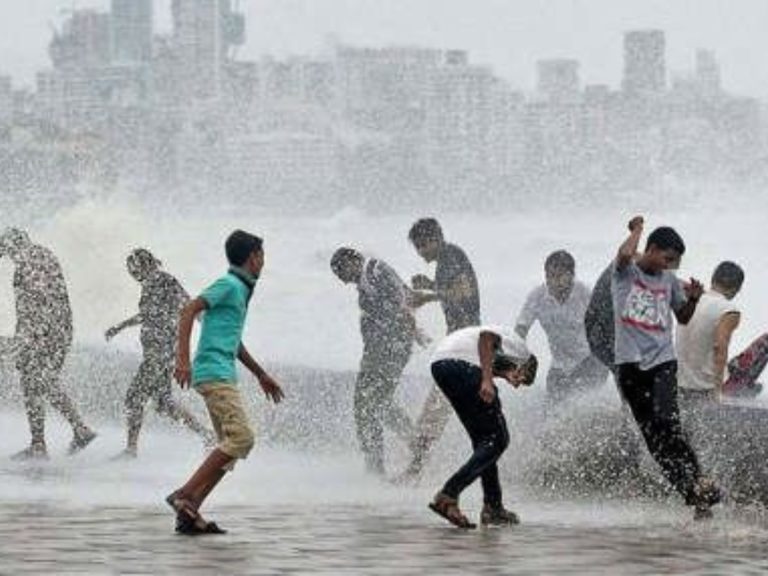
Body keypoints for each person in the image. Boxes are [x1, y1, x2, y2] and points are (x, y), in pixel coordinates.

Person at [166, 230, 284, 535]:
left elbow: (234, 340)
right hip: (214, 374)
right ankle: (184, 495)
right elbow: (189, 309)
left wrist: (260, 374)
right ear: (253, 257)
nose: (264, 262)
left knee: (229, 448)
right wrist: (182, 360)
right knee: (242, 439)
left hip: (220, 372)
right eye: (262, 256)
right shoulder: (230, 285)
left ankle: (189, 514)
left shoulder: (240, 290)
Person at [612, 216, 721, 518]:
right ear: (653, 248)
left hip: (662, 362)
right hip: (630, 368)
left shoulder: (669, 281)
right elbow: (623, 254)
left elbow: (683, 317)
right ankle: (694, 497)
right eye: (667, 258)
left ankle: (700, 477)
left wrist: (695, 300)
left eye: (674, 263)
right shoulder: (624, 274)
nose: (669, 266)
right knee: (654, 441)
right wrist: (636, 230)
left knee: (667, 421)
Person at [105, 248, 214, 458]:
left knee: (134, 398)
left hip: (160, 352)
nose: (133, 275)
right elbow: (148, 314)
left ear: (144, 265)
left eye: (134, 269)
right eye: (130, 271)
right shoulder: (152, 283)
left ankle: (131, 449)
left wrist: (207, 328)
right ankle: (206, 435)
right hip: (160, 352)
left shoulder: (162, 280)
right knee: (164, 404)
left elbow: (189, 304)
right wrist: (121, 326)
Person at [427, 325, 537, 528]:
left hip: (440, 365)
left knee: (484, 441)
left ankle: (493, 506)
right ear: (526, 365)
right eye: (522, 379)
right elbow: (486, 339)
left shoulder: (496, 354)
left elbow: (484, 357)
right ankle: (448, 494)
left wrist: (502, 375)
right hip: (460, 365)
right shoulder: (521, 350)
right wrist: (486, 380)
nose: (517, 384)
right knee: (498, 439)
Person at [0, 228, 96, 459]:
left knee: (34, 381)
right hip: (60, 329)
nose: (8, 257)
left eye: (6, 251)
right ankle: (73, 431)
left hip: (43, 332)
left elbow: (36, 300)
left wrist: (28, 336)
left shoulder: (26, 263)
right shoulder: (44, 254)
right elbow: (51, 297)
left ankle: (42, 443)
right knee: (41, 382)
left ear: (13, 245)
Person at [330, 247, 421, 476]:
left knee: (371, 404)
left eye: (340, 272)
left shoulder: (376, 269)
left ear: (352, 260)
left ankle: (394, 454)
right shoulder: (366, 278)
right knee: (368, 404)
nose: (342, 281)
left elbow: (403, 300)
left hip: (390, 351)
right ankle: (399, 448)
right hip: (379, 351)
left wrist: (411, 329)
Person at [403, 217, 481, 479]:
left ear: (436, 239)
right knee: (448, 409)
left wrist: (428, 295)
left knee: (434, 410)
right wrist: (431, 285)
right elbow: (455, 290)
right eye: (418, 248)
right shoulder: (446, 260)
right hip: (464, 344)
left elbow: (463, 292)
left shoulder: (452, 255)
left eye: (423, 245)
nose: (421, 251)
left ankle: (414, 472)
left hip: (464, 345)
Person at [515, 250, 607, 402]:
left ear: (571, 276)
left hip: (590, 360)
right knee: (552, 409)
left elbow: (605, 324)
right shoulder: (537, 297)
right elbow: (521, 328)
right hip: (560, 365)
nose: (552, 282)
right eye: (549, 276)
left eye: (558, 276)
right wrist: (516, 356)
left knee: (582, 404)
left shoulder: (584, 294)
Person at [677, 261, 744, 405]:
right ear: (736, 289)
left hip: (678, 382)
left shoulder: (691, 299)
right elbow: (720, 348)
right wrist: (718, 392)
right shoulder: (729, 310)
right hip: (703, 388)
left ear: (713, 279)